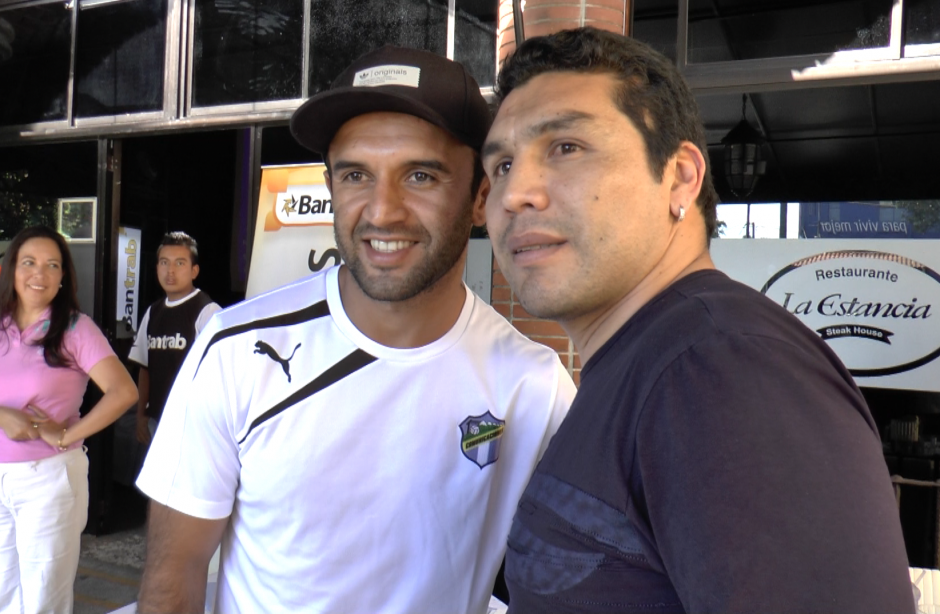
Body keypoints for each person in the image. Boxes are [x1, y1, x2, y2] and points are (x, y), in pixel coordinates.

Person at [483, 27, 914, 613]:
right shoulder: (648, 360)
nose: (514, 193)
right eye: (503, 165)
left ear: (681, 176)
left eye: (565, 147)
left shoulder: (721, 367)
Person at [135, 46, 575, 614]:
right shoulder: (234, 349)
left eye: (420, 175)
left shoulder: (533, 387)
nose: (382, 211)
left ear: (480, 198)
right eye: (355, 175)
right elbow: (176, 576)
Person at [0, 225, 138, 613]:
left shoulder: (75, 328)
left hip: (48, 479)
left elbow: (124, 391)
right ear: (13, 268)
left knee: (44, 598)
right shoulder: (2, 325)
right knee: (4, 592)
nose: (38, 274)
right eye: (29, 262)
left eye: (51, 265)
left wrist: (68, 434)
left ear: (63, 277)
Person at [128, 232, 220, 444]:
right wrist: (141, 415)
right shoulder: (153, 312)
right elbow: (145, 368)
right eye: (164, 262)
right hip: (156, 421)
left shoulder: (208, 312)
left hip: (194, 424)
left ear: (194, 270)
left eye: (180, 263)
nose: (170, 271)